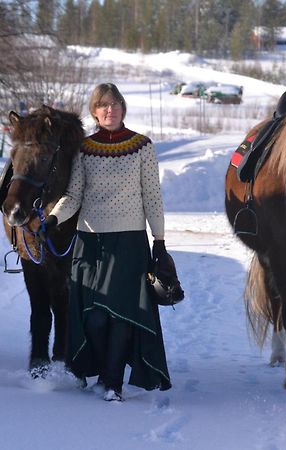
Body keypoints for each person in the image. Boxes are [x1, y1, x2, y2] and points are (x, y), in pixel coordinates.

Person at [45, 83, 172, 401]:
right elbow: (74, 195)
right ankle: (102, 370)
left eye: (115, 103)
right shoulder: (85, 149)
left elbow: (152, 196)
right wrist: (53, 219)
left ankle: (112, 382)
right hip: (90, 244)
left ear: (123, 108)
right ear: (94, 111)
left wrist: (159, 240)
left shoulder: (143, 146)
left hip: (129, 244)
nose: (109, 109)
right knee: (95, 316)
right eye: (103, 105)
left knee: (121, 315)